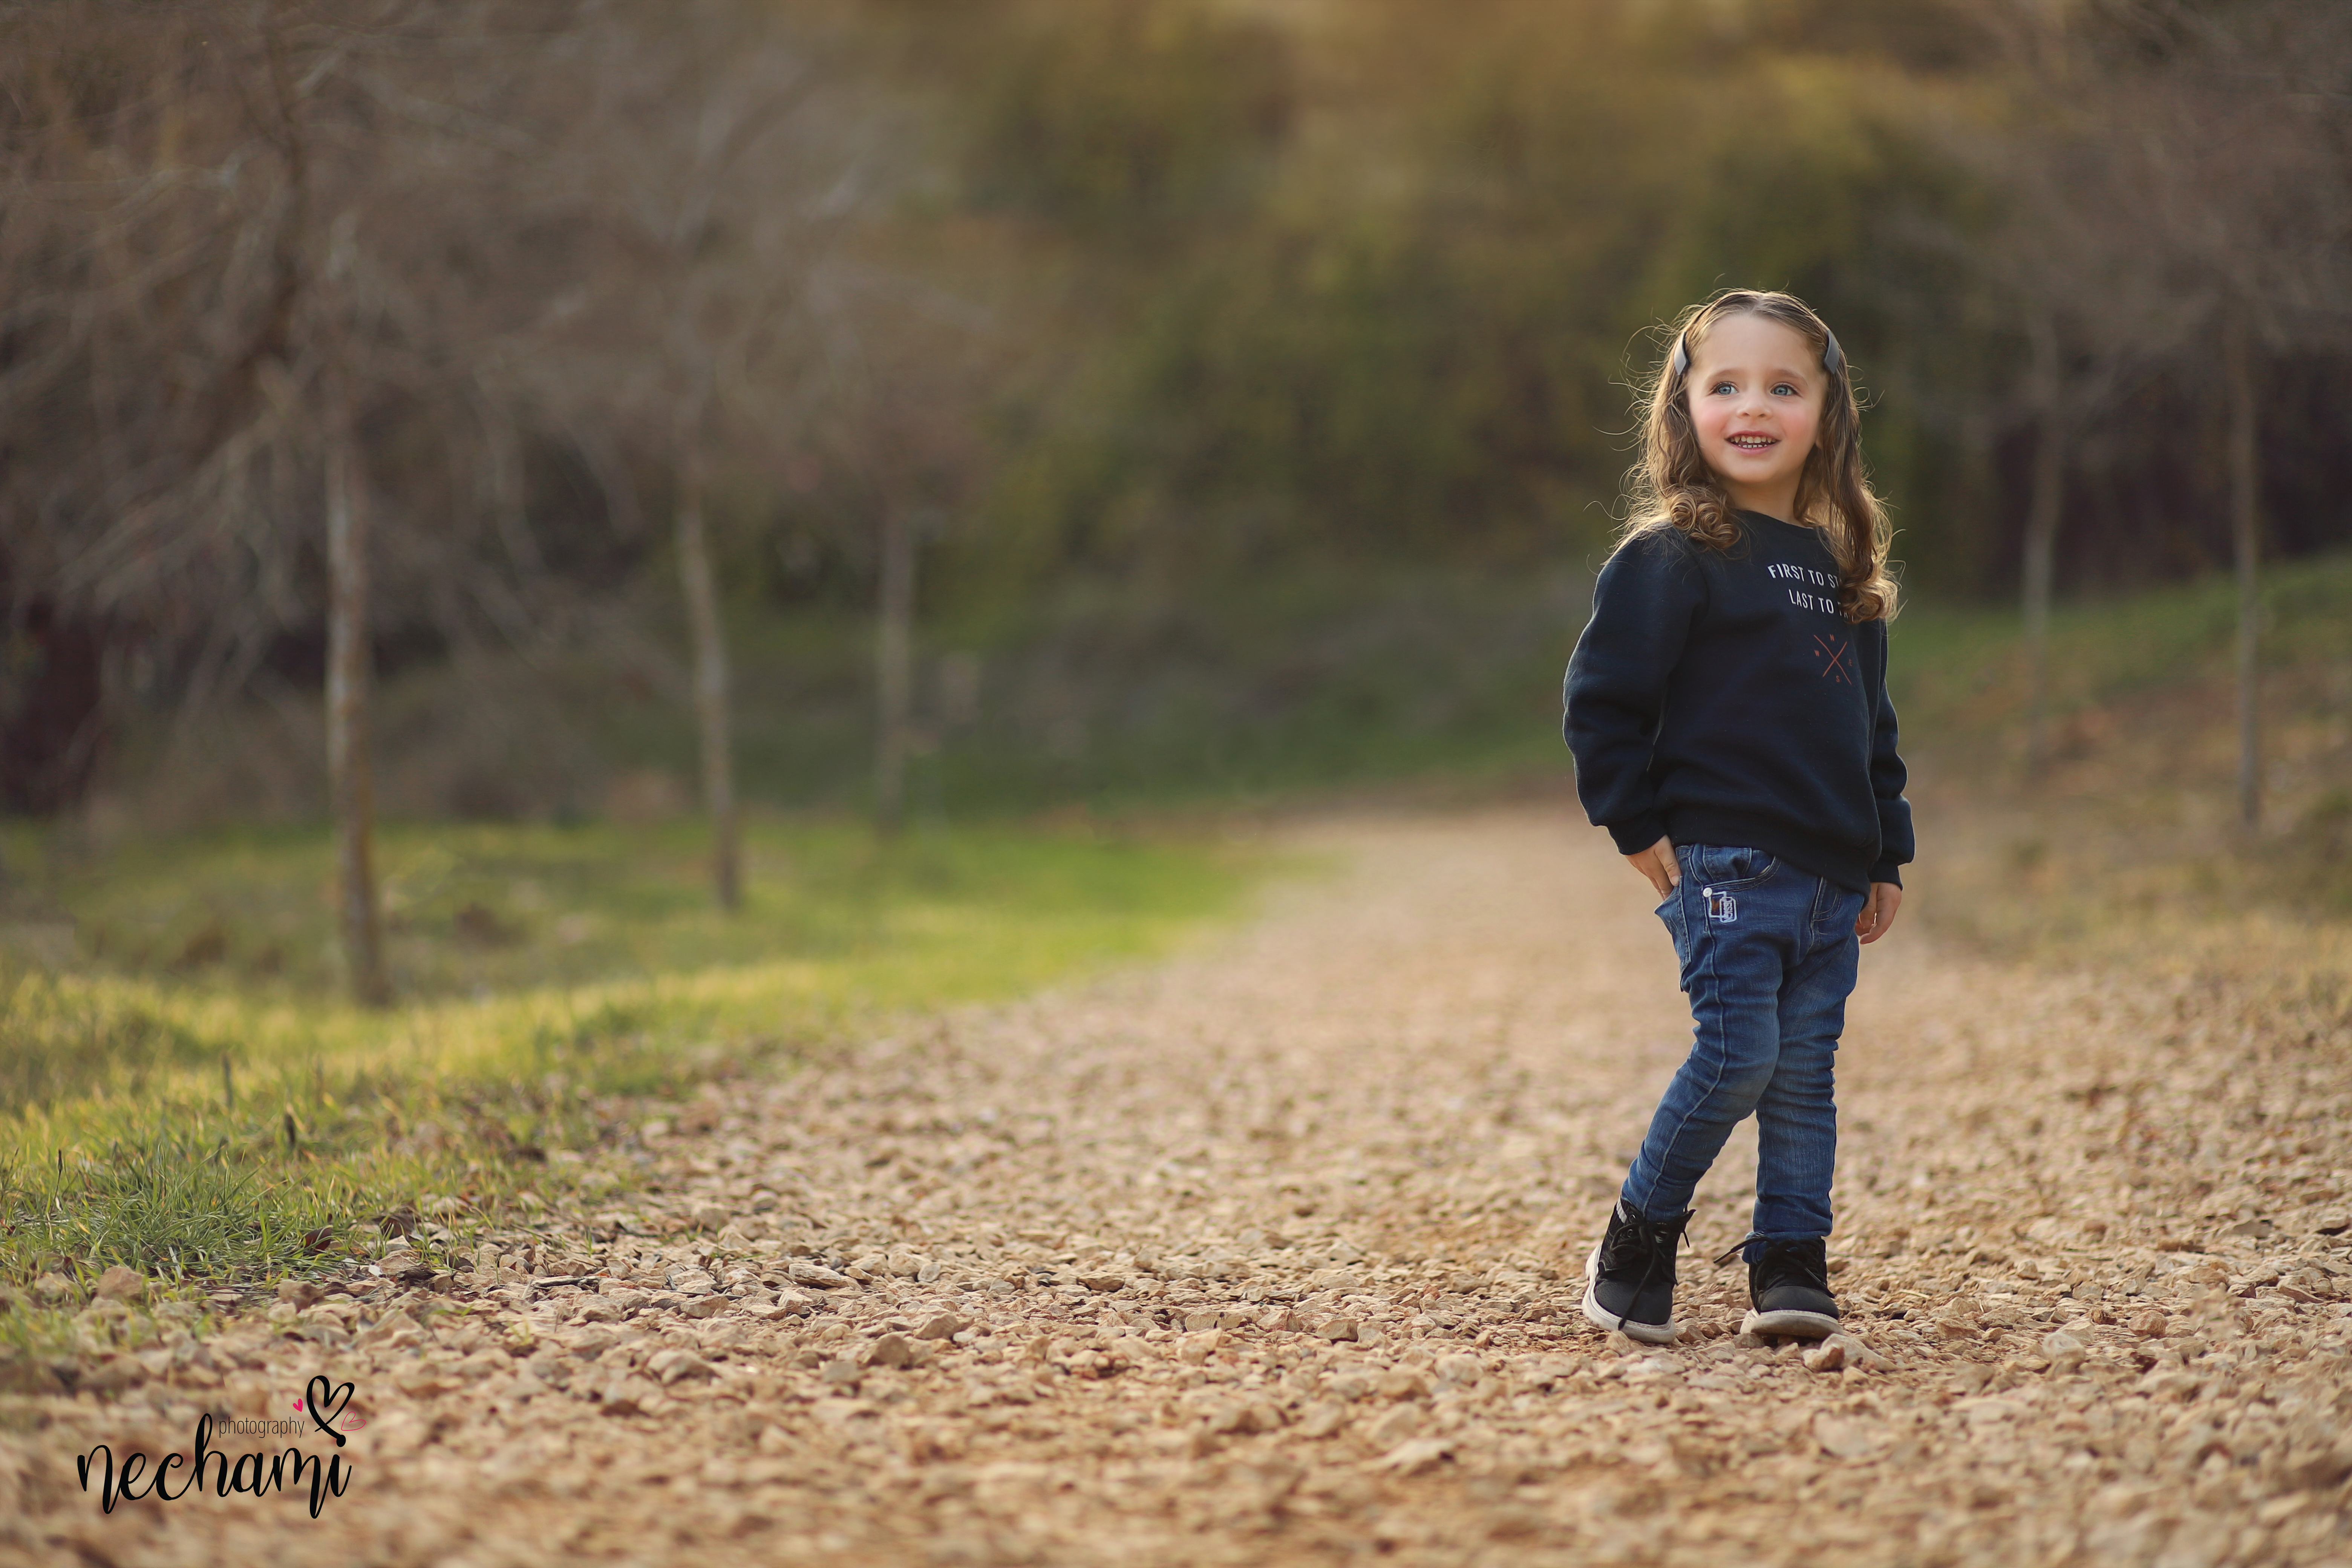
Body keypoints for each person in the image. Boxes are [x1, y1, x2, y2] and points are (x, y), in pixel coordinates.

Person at [1562, 289, 1913, 1346]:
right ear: (1685, 410)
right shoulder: (1673, 557)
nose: (1751, 406)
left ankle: (1790, 1265)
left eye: (1781, 386)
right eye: (1725, 385)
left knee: (1805, 1074)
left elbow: (1872, 732)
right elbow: (1602, 699)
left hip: (1829, 878)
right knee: (1738, 1055)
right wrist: (1632, 823)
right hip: (1722, 860)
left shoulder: (1845, 575)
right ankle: (1638, 1238)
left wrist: (1886, 852)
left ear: (1827, 413)